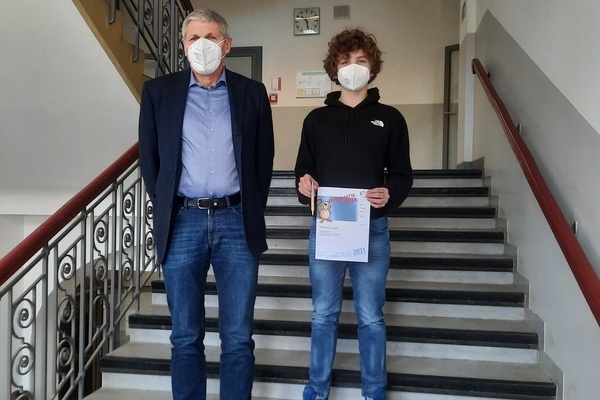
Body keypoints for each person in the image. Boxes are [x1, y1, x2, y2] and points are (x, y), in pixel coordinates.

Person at [138, 9, 274, 400]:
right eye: (193, 38)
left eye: (210, 37)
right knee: (184, 336)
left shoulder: (252, 93)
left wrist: (248, 207)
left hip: (236, 219)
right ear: (183, 46)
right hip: (183, 221)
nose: (202, 45)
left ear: (226, 45)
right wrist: (169, 205)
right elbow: (151, 159)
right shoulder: (158, 93)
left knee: (238, 336)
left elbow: (262, 159)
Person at [294, 28, 413, 400]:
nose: (353, 67)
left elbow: (402, 174)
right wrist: (304, 185)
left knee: (371, 316)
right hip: (328, 225)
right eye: (346, 61)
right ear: (334, 68)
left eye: (361, 60)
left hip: (371, 228)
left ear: (372, 67)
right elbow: (303, 171)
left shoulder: (390, 118)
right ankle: (317, 389)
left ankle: (374, 392)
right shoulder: (316, 120)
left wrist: (390, 192)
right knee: (323, 314)